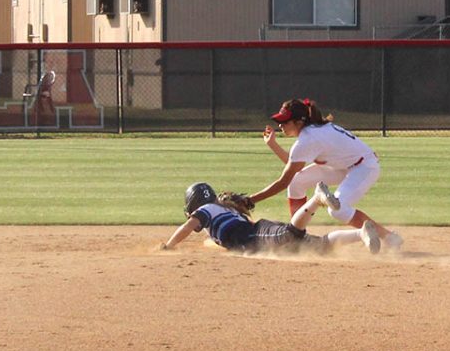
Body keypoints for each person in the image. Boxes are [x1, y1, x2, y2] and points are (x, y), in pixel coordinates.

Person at [247, 98, 403, 252]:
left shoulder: (308, 139)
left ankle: (390, 237)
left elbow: (283, 181)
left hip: (364, 167)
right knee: (297, 181)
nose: (280, 125)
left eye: (285, 121)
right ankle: (297, 235)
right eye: (279, 121)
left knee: (338, 209)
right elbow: (294, 168)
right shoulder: (313, 131)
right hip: (344, 166)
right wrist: (273, 144)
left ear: (299, 122)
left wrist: (250, 201)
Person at [161, 181, 381, 255]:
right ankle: (361, 233)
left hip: (257, 236)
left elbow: (189, 226)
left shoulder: (206, 210)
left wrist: (169, 245)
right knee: (320, 246)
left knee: (291, 234)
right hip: (258, 234)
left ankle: (316, 199)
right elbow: (215, 239)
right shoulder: (224, 209)